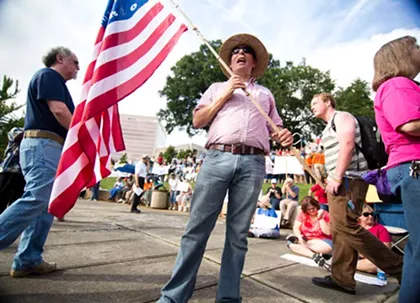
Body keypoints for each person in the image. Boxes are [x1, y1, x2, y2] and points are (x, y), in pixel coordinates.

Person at [157, 33, 293, 303]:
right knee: (196, 230)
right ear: (230, 61)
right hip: (217, 158)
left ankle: (228, 298)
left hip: (253, 163)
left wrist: (283, 136)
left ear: (254, 62)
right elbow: (198, 120)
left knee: (238, 236)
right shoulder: (216, 88)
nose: (239, 53)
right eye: (235, 51)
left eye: (246, 51)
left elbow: (276, 129)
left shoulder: (265, 95)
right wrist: (227, 93)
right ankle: (173, 297)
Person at [310, 93, 403, 295]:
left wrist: (337, 176)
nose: (312, 107)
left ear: (328, 102)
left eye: (315, 102)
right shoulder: (329, 126)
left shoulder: (341, 117)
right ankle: (342, 278)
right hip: (342, 180)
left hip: (349, 180)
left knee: (348, 227)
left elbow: (348, 144)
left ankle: (402, 269)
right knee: (340, 228)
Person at [0, 47, 78, 277]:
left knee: (45, 206)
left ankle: (28, 259)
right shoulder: (48, 75)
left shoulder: (55, 82)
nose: (77, 68)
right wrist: (80, 134)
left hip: (48, 146)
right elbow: (59, 111)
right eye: (75, 62)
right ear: (60, 58)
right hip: (44, 144)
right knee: (37, 198)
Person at [372, 35, 420, 302]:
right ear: (401, 55)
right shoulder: (398, 85)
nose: (419, 49)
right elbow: (410, 124)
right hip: (414, 164)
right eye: (414, 46)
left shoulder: (400, 85)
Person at [286, 196, 332, 269]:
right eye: (308, 209)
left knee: (327, 248)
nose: (311, 211)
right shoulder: (302, 214)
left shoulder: (325, 214)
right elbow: (296, 227)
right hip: (307, 239)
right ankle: (313, 255)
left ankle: (301, 245)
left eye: (313, 208)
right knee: (290, 245)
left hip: (322, 240)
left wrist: (320, 218)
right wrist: (299, 236)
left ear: (317, 206)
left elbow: (328, 232)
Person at [357, 204, 392, 273]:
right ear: (359, 217)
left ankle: (347, 266)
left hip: (374, 259)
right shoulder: (355, 228)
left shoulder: (380, 229)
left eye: (372, 214)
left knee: (375, 264)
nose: (370, 216)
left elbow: (386, 250)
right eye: (366, 214)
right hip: (356, 256)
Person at [0, 127, 25, 214]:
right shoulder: (15, 129)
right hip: (8, 170)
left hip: (23, 173)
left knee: (16, 202)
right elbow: (18, 136)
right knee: (2, 197)